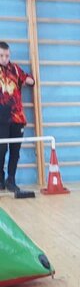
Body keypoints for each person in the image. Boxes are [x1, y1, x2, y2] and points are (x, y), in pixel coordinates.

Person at [0, 41, 35, 197]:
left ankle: (11, 180)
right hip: (1, 118)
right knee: (1, 150)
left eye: (7, 55)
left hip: (17, 117)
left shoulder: (15, 69)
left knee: (15, 151)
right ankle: (0, 179)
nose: (4, 58)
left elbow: (30, 80)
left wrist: (29, 80)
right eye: (1, 55)